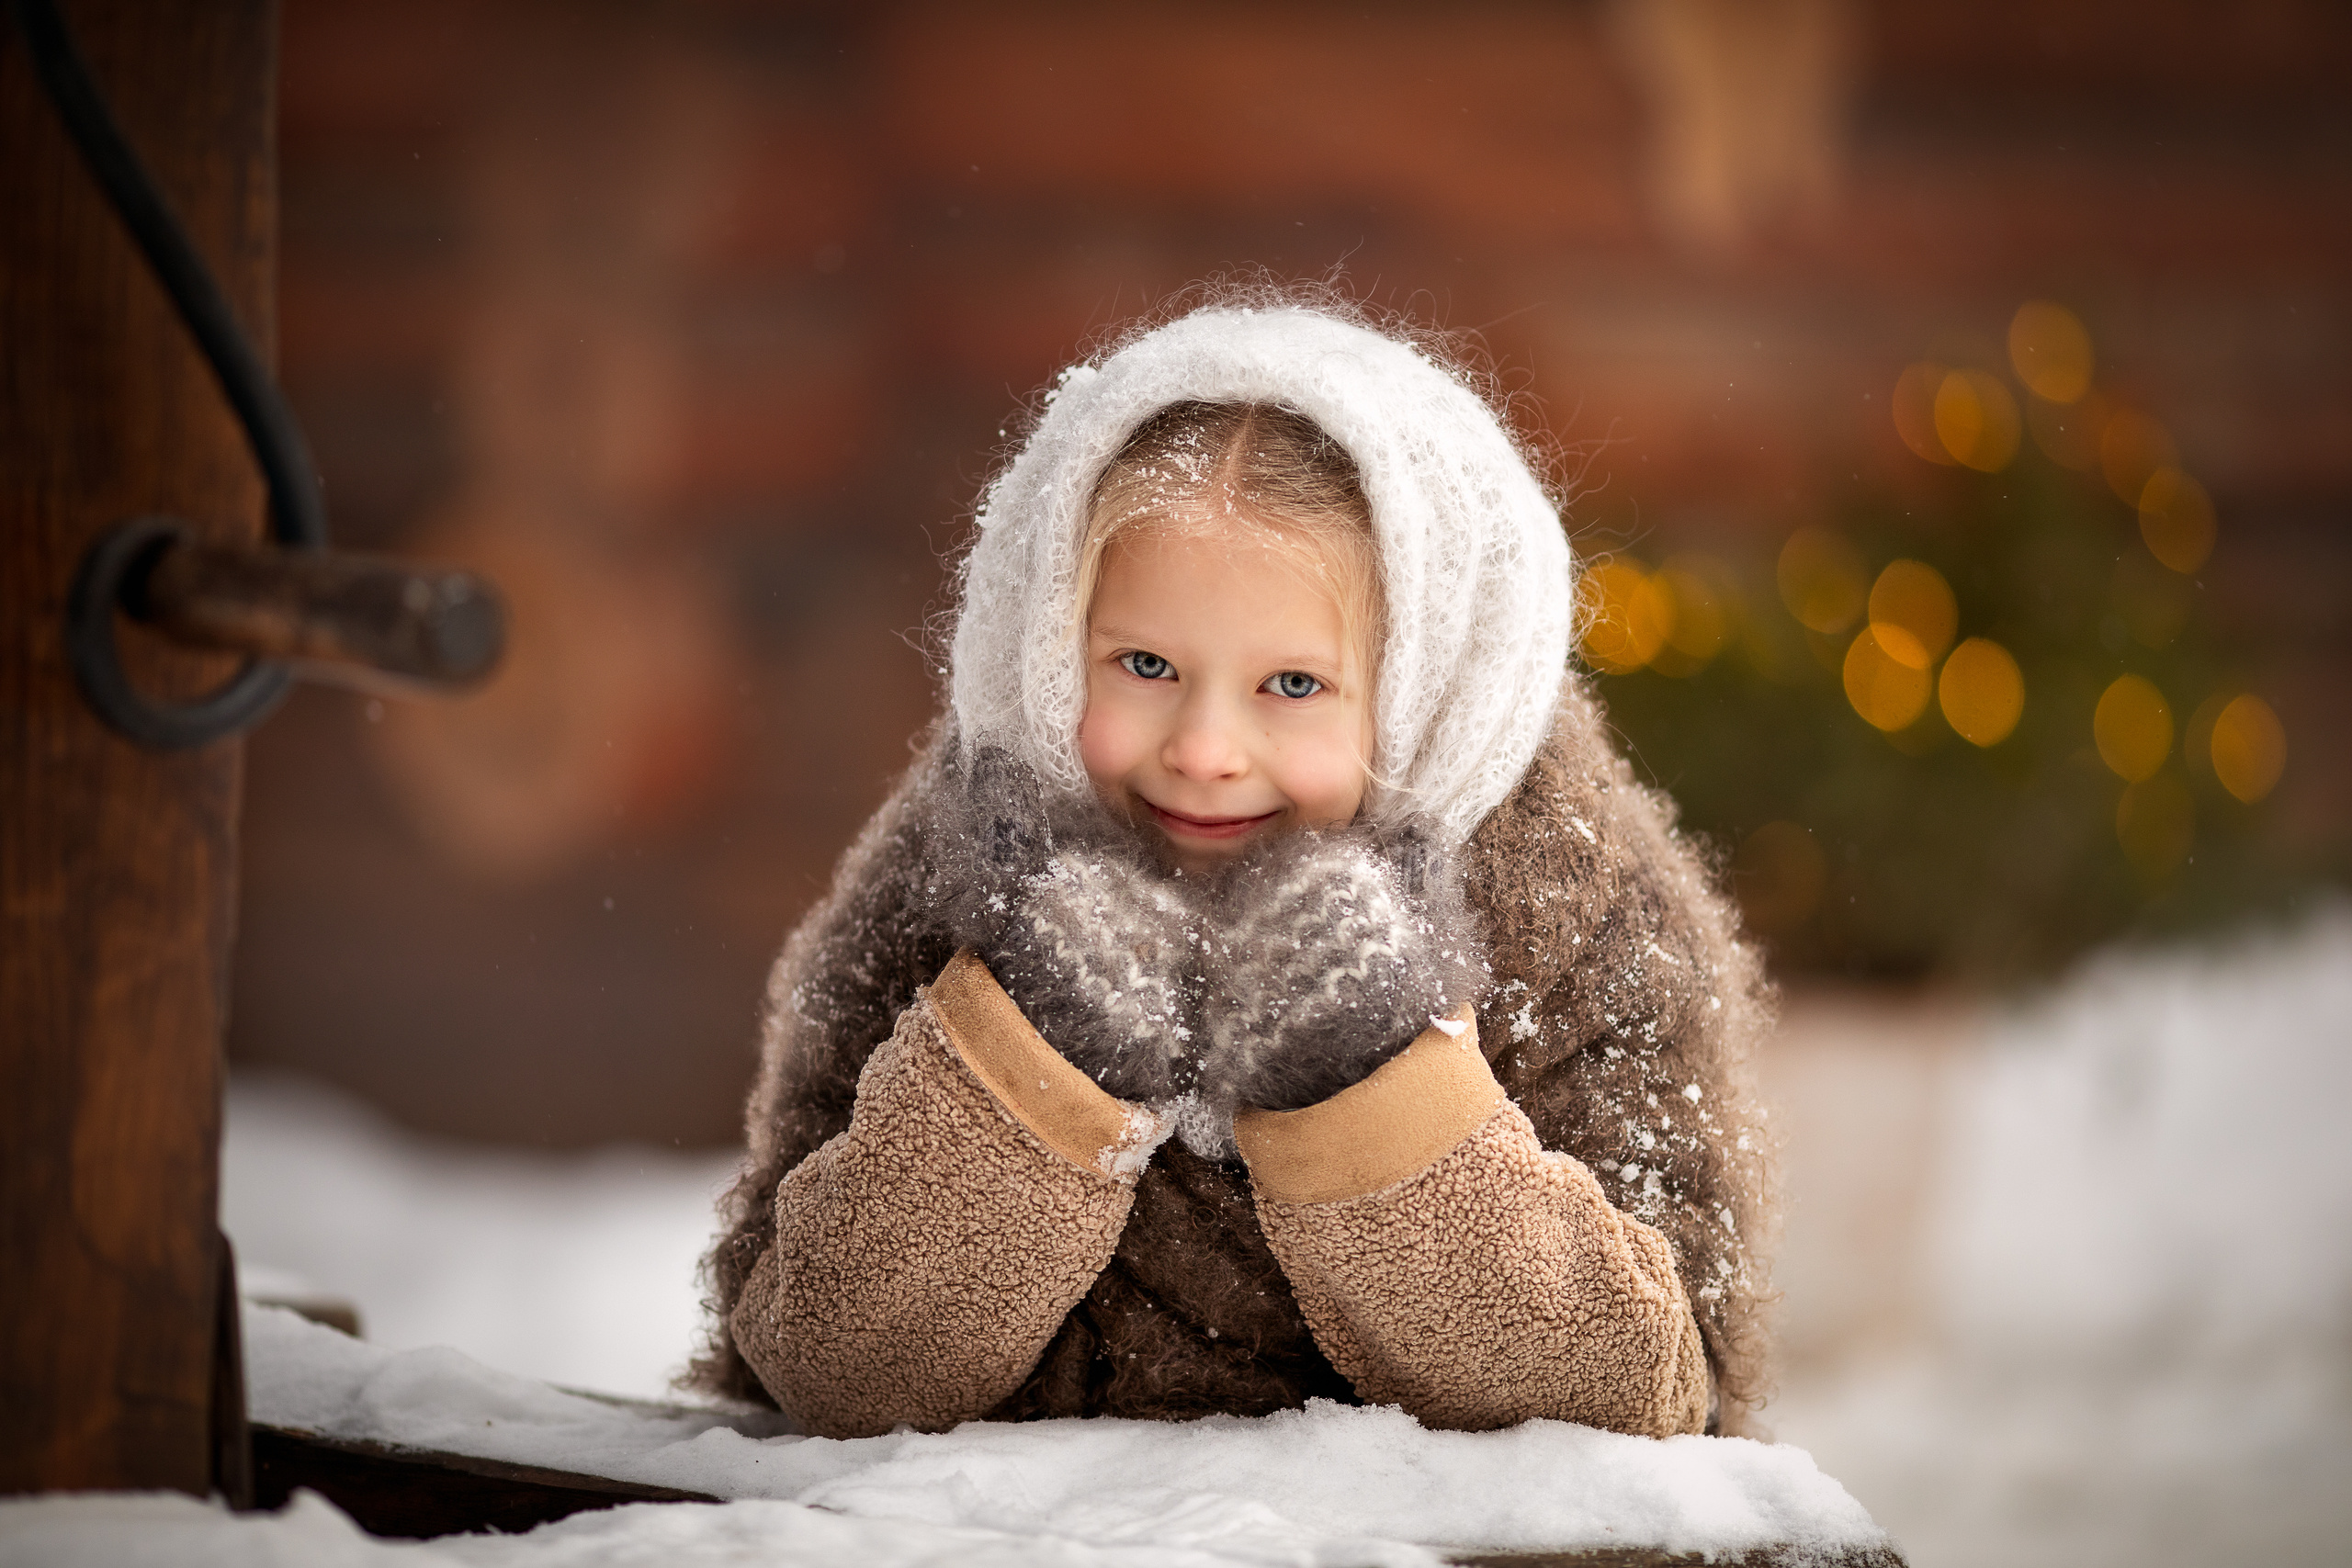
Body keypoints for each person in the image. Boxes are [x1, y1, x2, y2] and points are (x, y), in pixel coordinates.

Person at [693, 291, 1776, 1441]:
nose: (1205, 751)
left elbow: (1648, 1399)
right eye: (1145, 663)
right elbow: (816, 1362)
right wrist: (1033, 1063)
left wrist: (1369, 1082)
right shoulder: (956, 873)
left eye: (1293, 685)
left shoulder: (1582, 912)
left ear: (1422, 693)